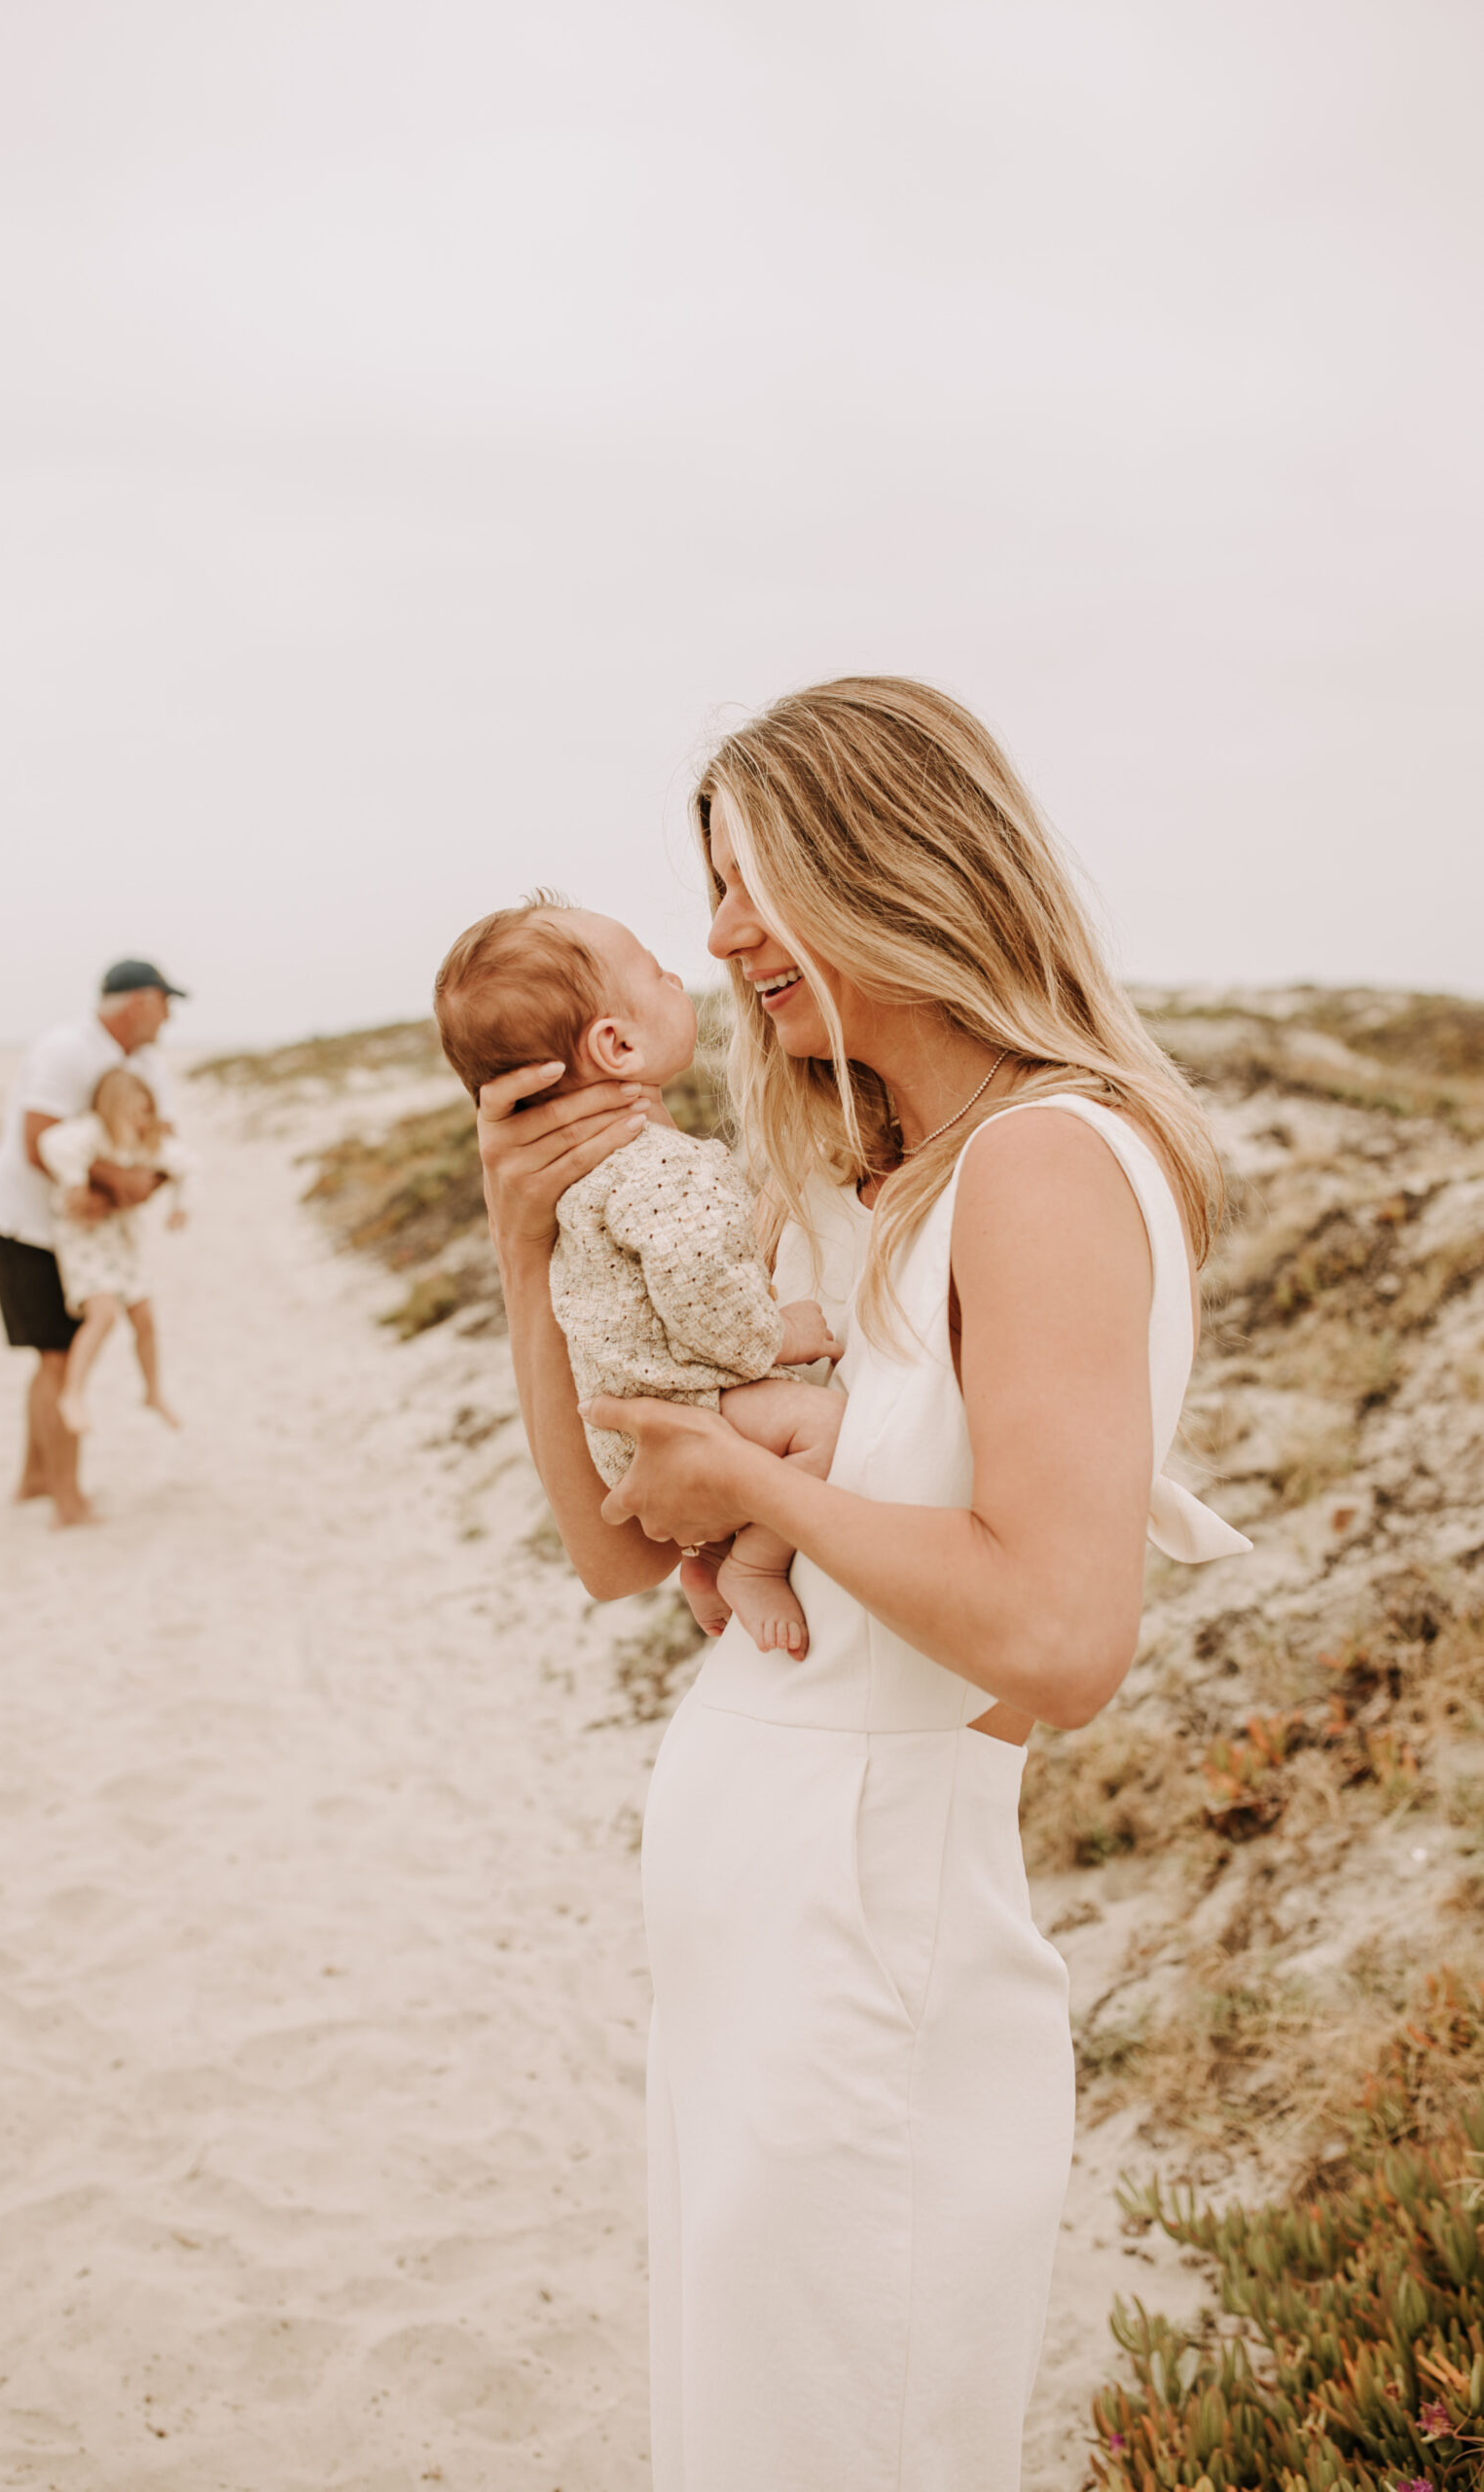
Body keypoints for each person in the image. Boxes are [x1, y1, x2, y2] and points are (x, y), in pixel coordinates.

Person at [471, 678, 1249, 2491]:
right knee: (754, 2429)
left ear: (889, 864)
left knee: (853, 2435)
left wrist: (750, 1481)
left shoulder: (1050, 1158)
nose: (721, 933)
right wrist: (527, 1255)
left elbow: (1059, 1642)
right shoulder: (860, 1179)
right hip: (755, 1894)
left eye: (752, 879)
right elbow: (611, 1549)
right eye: (712, 886)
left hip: (874, 1901)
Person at [433, 898, 843, 1653]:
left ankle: (716, 1558)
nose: (692, 967)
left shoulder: (598, 1185)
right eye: (658, 975)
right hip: (685, 1417)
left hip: (629, 1436)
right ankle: (750, 1563)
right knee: (817, 1426)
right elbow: (698, 1283)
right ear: (616, 1044)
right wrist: (515, 1250)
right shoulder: (665, 1166)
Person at [0, 959, 187, 1526]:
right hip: (26, 1225)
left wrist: (148, 1185)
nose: (170, 1016)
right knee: (59, 1357)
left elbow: (165, 1144)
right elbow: (35, 1142)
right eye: (167, 1003)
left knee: (56, 1355)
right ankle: (68, 1501)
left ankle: (35, 1479)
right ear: (140, 1001)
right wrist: (113, 1188)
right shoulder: (66, 1049)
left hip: (85, 1226)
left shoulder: (144, 1064)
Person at [38, 1066, 197, 1436]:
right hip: (85, 1236)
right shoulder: (93, 1133)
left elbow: (189, 1164)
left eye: (147, 1112)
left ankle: (153, 1391)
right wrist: (76, 1180)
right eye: (135, 1112)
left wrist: (181, 1204)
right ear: (112, 1109)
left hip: (122, 1240)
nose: (142, 1121)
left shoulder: (146, 1143)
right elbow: (51, 1144)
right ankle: (72, 1394)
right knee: (104, 1313)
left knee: (145, 1316)